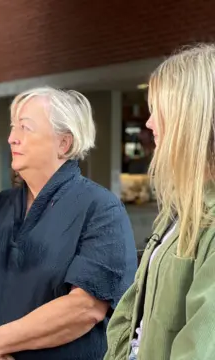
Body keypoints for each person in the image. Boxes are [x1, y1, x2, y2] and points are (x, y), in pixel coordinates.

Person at [0, 86, 138, 360]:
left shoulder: (101, 208)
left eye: (25, 128)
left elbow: (85, 308)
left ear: (64, 143)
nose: (12, 138)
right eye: (13, 128)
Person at [105, 44, 215, 360]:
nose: (150, 124)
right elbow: (133, 315)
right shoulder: (179, 211)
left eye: (159, 109)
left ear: (190, 116)